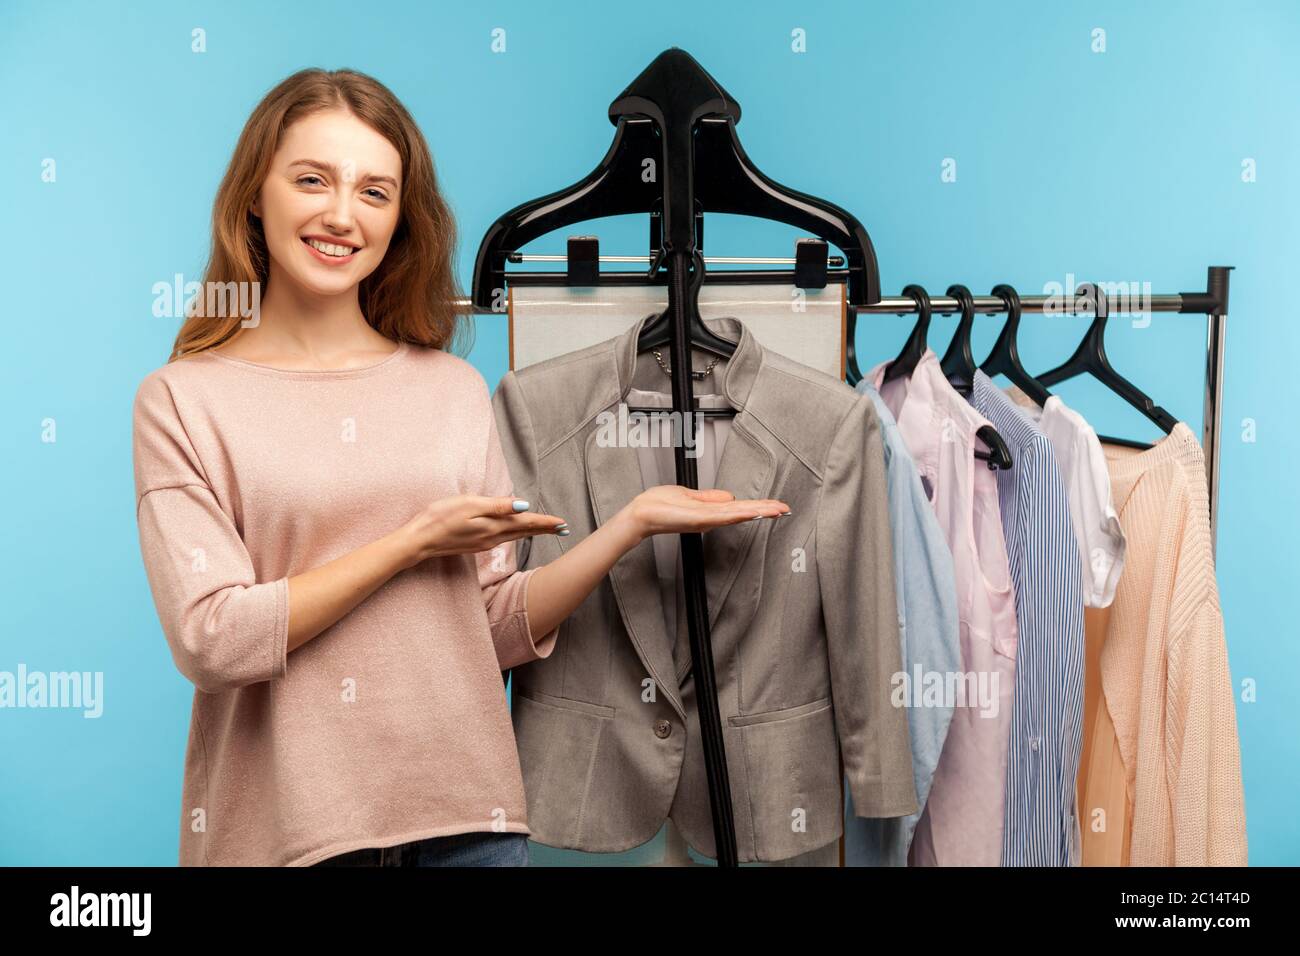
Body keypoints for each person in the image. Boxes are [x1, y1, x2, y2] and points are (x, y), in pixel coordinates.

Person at [131, 68, 788, 867]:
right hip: (292, 834)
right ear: (254, 197)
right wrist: (410, 544)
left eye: (375, 192)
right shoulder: (184, 400)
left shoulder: (450, 388)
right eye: (313, 180)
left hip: (466, 826)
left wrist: (630, 524)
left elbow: (489, 626)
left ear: (401, 218)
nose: (342, 215)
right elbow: (214, 639)